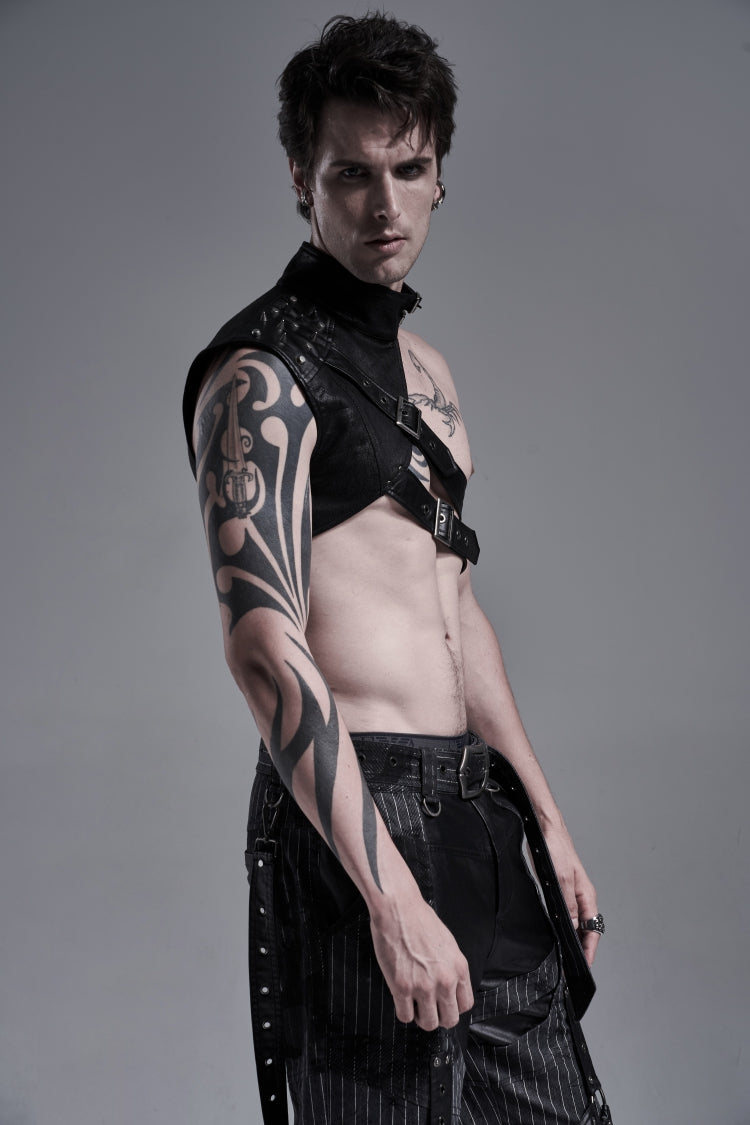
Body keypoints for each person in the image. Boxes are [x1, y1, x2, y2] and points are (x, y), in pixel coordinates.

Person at [182, 14, 610, 1125]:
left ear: (439, 176)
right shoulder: (260, 375)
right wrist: (387, 892)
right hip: (354, 813)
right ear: (301, 179)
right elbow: (263, 644)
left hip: (473, 803)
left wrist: (548, 820)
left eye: (408, 169)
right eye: (352, 174)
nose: (385, 205)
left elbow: (453, 606)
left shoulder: (427, 373)